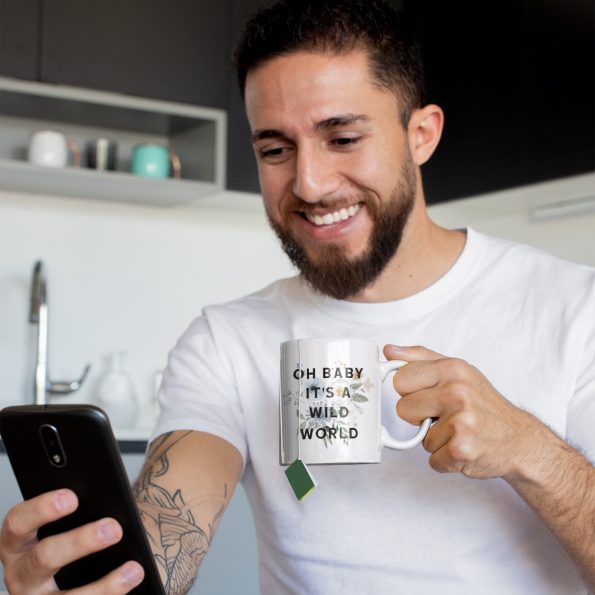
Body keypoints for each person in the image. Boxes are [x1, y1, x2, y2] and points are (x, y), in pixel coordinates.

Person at [1, 1, 594, 593]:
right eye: (275, 150)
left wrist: (528, 449)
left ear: (421, 135)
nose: (308, 184)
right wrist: (101, 575)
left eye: (342, 137)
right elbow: (170, 521)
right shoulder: (226, 341)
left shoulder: (575, 308)